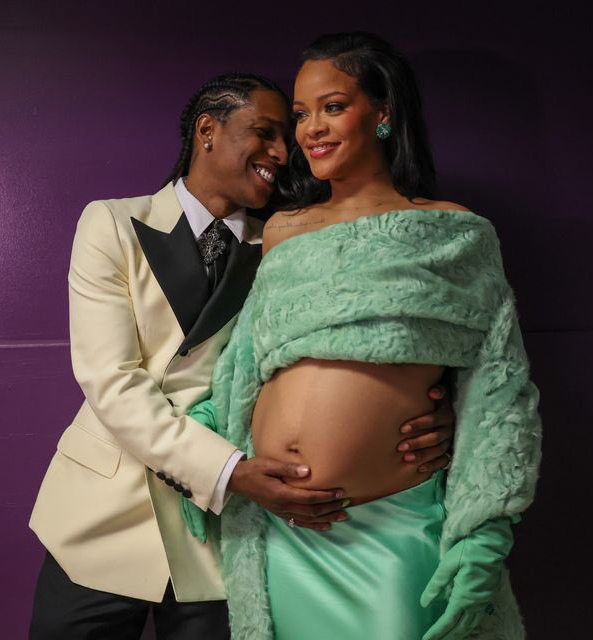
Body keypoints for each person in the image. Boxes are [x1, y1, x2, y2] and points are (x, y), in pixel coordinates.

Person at [28, 72, 454, 639]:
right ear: (207, 130)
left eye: (286, 136)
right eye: (265, 132)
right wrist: (229, 471)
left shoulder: (288, 243)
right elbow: (111, 380)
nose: (282, 152)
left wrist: (435, 409)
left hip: (222, 536)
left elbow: (357, 345)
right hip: (103, 515)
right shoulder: (112, 223)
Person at [184, 33, 541, 640]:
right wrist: (210, 452)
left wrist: (484, 534)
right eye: (301, 114)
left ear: (382, 113)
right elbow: (244, 363)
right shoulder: (283, 231)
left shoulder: (455, 233)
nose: (311, 130)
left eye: (333, 107)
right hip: (284, 532)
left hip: (390, 528)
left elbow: (499, 388)